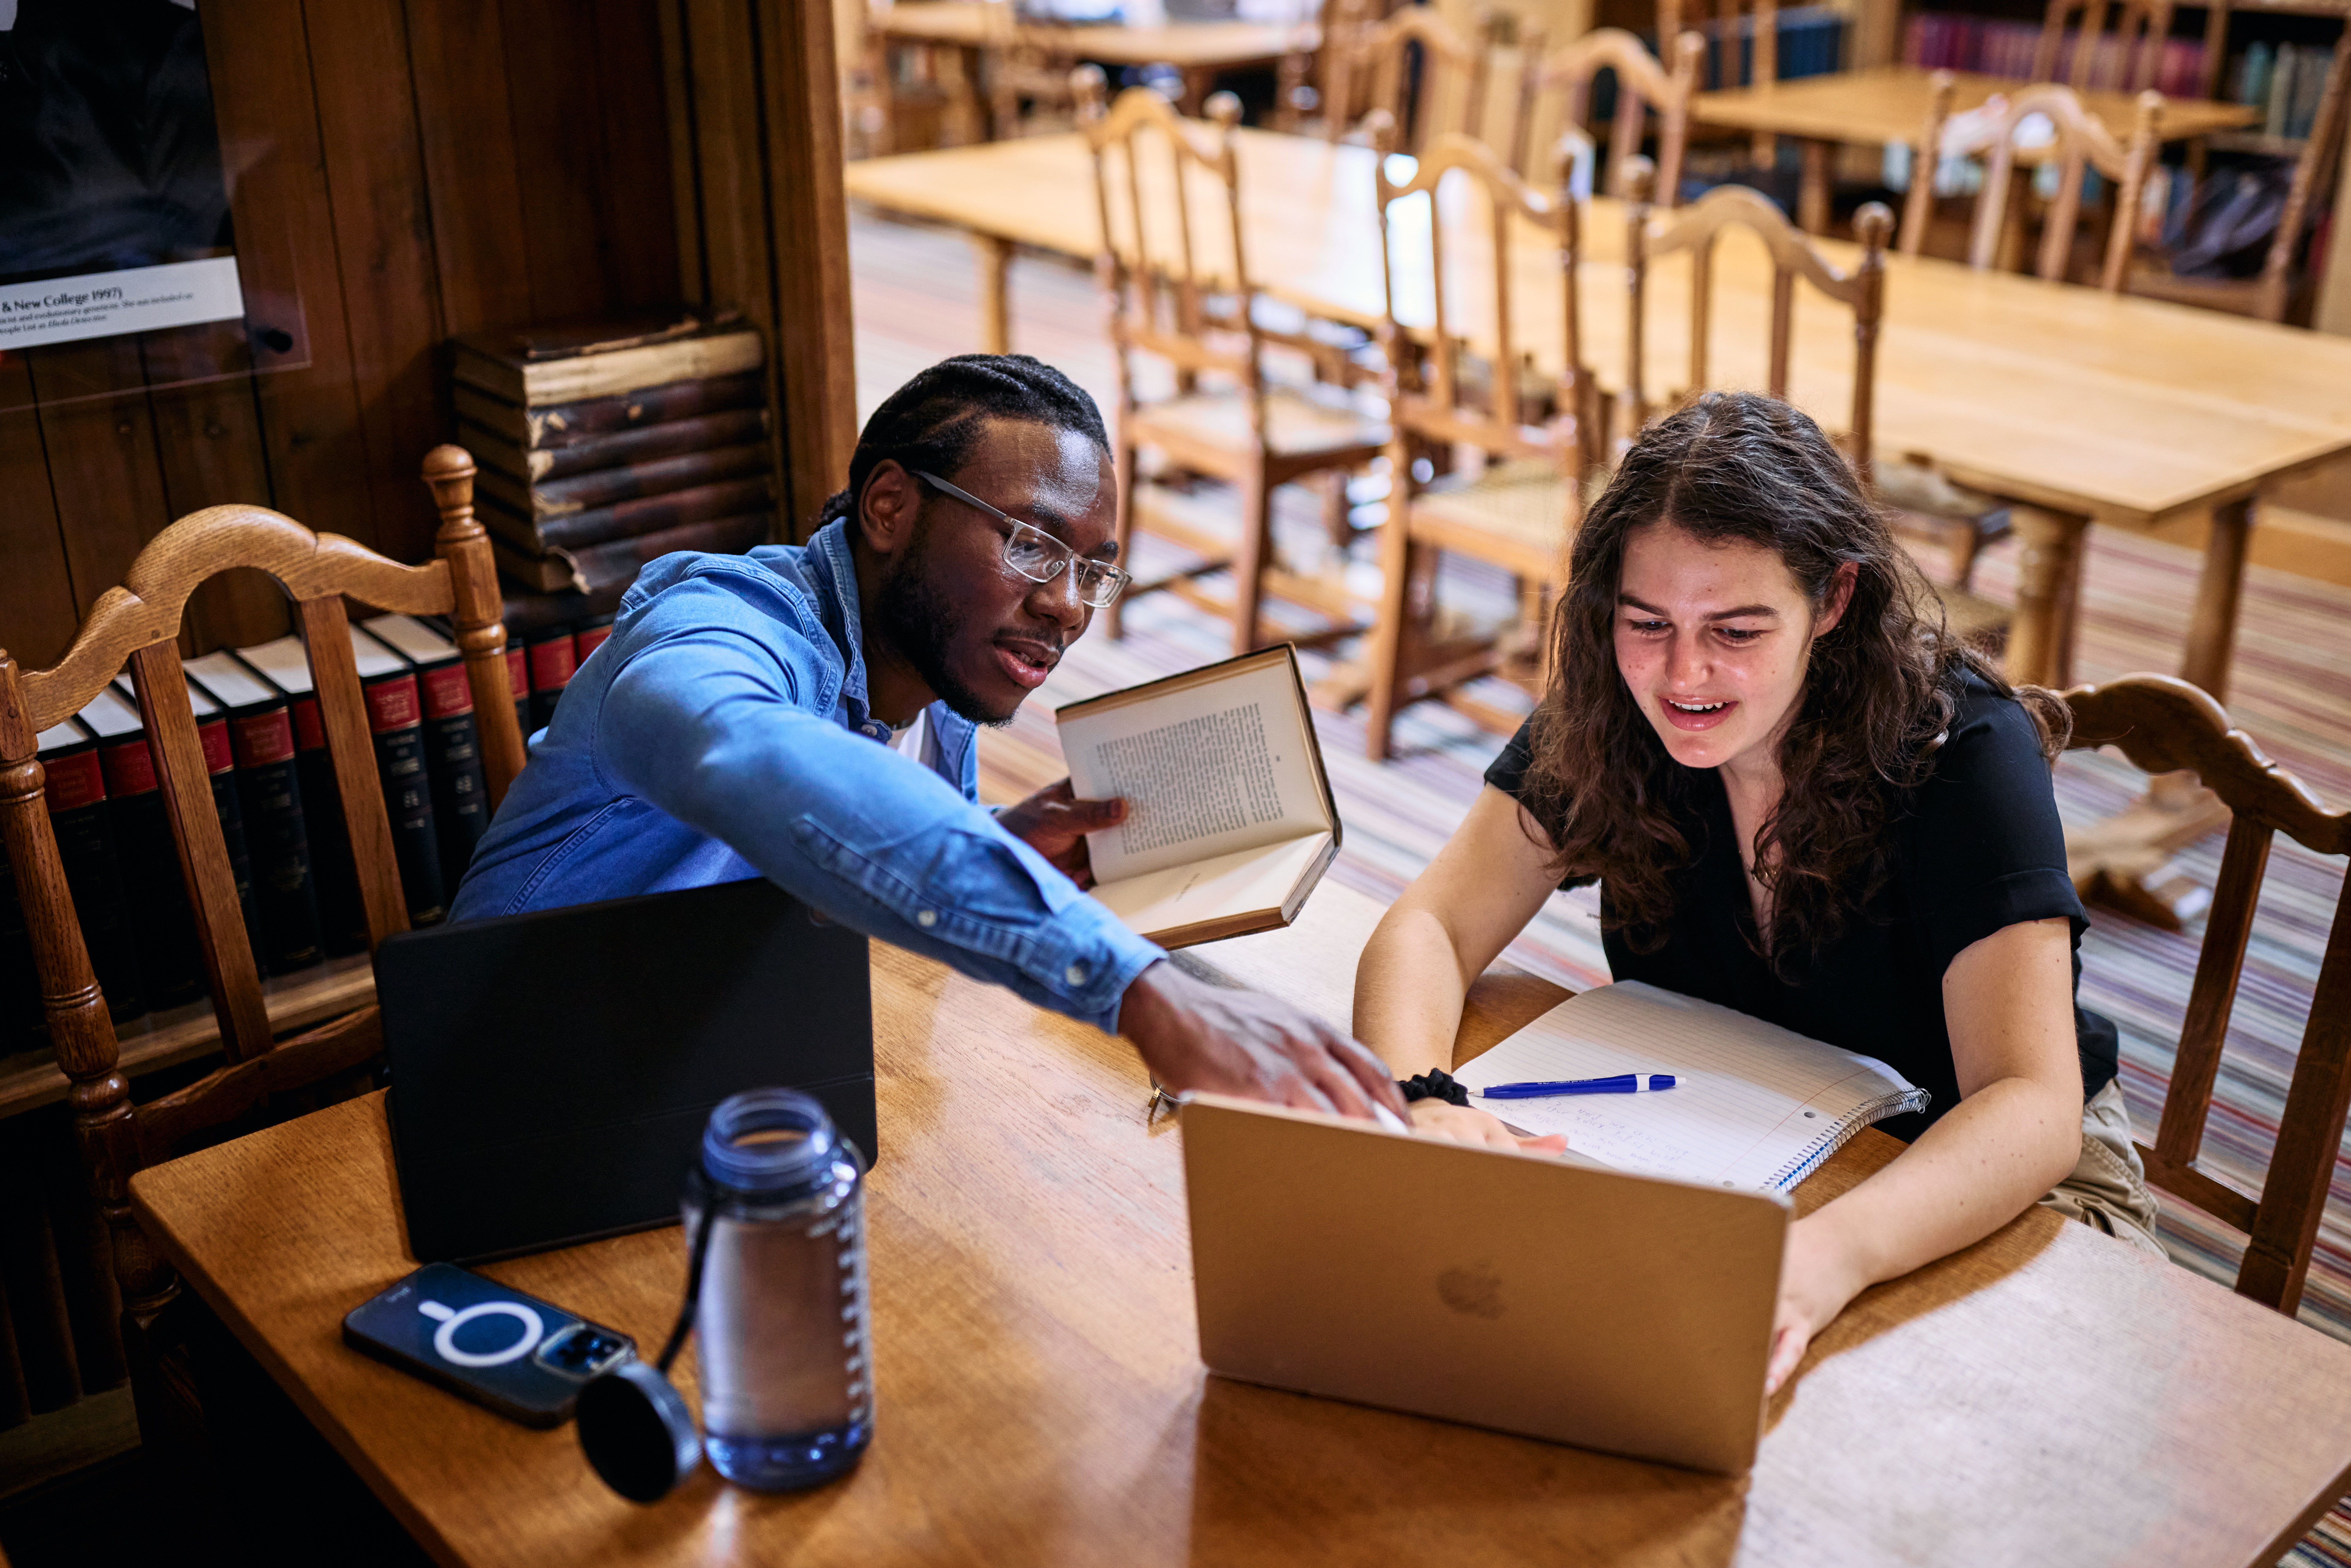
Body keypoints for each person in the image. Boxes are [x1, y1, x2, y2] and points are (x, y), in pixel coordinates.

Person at [1353, 391, 2161, 1393]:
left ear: (1832, 604)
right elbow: (1430, 923)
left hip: (1993, 1175)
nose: (1682, 674)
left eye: (1736, 632)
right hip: (1748, 1134)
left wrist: (1824, 1258)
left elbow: (2027, 1103)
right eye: (1646, 621)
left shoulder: (1964, 749)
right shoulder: (1615, 707)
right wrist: (1420, 1097)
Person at [454, 353, 1405, 1123]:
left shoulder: (938, 665)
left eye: (1092, 570)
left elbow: (840, 851)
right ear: (888, 507)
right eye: (1029, 545)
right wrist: (1141, 990)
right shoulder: (716, 631)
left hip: (721, 1068)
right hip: (527, 1087)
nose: (1066, 606)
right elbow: (756, 759)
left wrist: (989, 838)